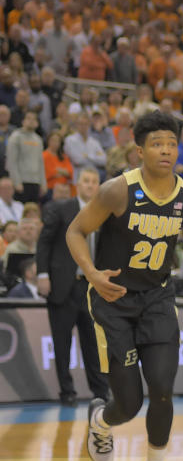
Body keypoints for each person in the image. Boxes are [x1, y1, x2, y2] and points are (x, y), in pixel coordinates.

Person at [66, 111, 183, 461]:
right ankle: (101, 421)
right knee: (129, 404)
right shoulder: (117, 191)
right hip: (113, 301)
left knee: (164, 390)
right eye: (156, 143)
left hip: (157, 299)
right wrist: (93, 274)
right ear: (140, 151)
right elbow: (77, 232)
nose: (165, 150)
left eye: (171, 143)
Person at [35, 167, 111, 406]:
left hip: (91, 289)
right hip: (62, 287)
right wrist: (43, 275)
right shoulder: (60, 208)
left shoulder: (104, 213)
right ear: (78, 184)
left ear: (99, 186)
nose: (90, 185)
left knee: (94, 344)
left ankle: (100, 393)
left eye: (94, 182)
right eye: (86, 181)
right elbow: (44, 243)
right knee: (62, 343)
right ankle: (66, 392)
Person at [7, 110, 46, 203]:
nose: (31, 121)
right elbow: (11, 161)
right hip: (22, 182)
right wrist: (16, 182)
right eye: (28, 118)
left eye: (34, 119)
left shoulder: (38, 140)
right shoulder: (16, 137)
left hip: (35, 182)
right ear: (23, 121)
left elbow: (40, 162)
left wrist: (43, 183)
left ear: (37, 123)